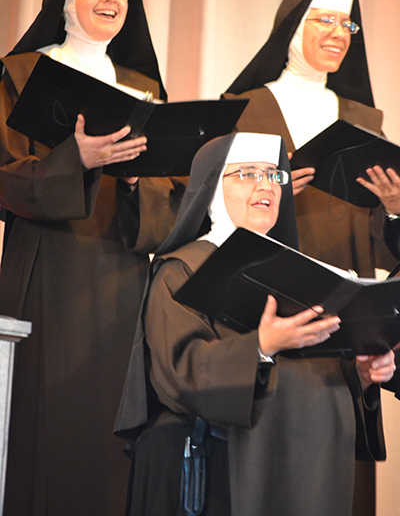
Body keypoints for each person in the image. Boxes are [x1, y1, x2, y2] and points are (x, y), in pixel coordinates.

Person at [115, 132, 394, 516]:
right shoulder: (182, 270)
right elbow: (179, 373)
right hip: (220, 472)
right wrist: (261, 345)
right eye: (246, 173)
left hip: (299, 466)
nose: (266, 184)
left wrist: (360, 375)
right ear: (212, 187)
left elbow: (313, 374)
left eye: (274, 174)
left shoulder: (308, 275)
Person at [0, 0, 185, 516]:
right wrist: (73, 162)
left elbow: (175, 198)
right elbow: (5, 177)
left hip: (123, 277)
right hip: (48, 271)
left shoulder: (145, 89)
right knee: (47, 425)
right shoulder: (20, 72)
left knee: (113, 431)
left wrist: (135, 184)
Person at [223, 0, 395, 278]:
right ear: (295, 27)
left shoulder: (365, 119)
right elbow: (208, 199)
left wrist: (394, 206)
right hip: (268, 268)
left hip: (351, 271)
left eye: (347, 24)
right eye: (326, 20)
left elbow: (379, 221)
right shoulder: (246, 109)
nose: (339, 34)